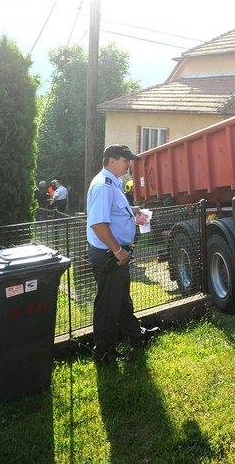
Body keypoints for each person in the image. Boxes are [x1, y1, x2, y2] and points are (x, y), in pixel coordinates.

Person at [86, 144, 160, 363]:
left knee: (121, 299)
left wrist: (133, 212)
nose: (129, 164)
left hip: (116, 254)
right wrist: (118, 251)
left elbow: (113, 213)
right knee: (108, 304)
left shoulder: (113, 183)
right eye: (125, 160)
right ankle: (104, 352)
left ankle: (136, 336)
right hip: (110, 255)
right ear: (111, 160)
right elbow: (98, 224)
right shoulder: (103, 185)